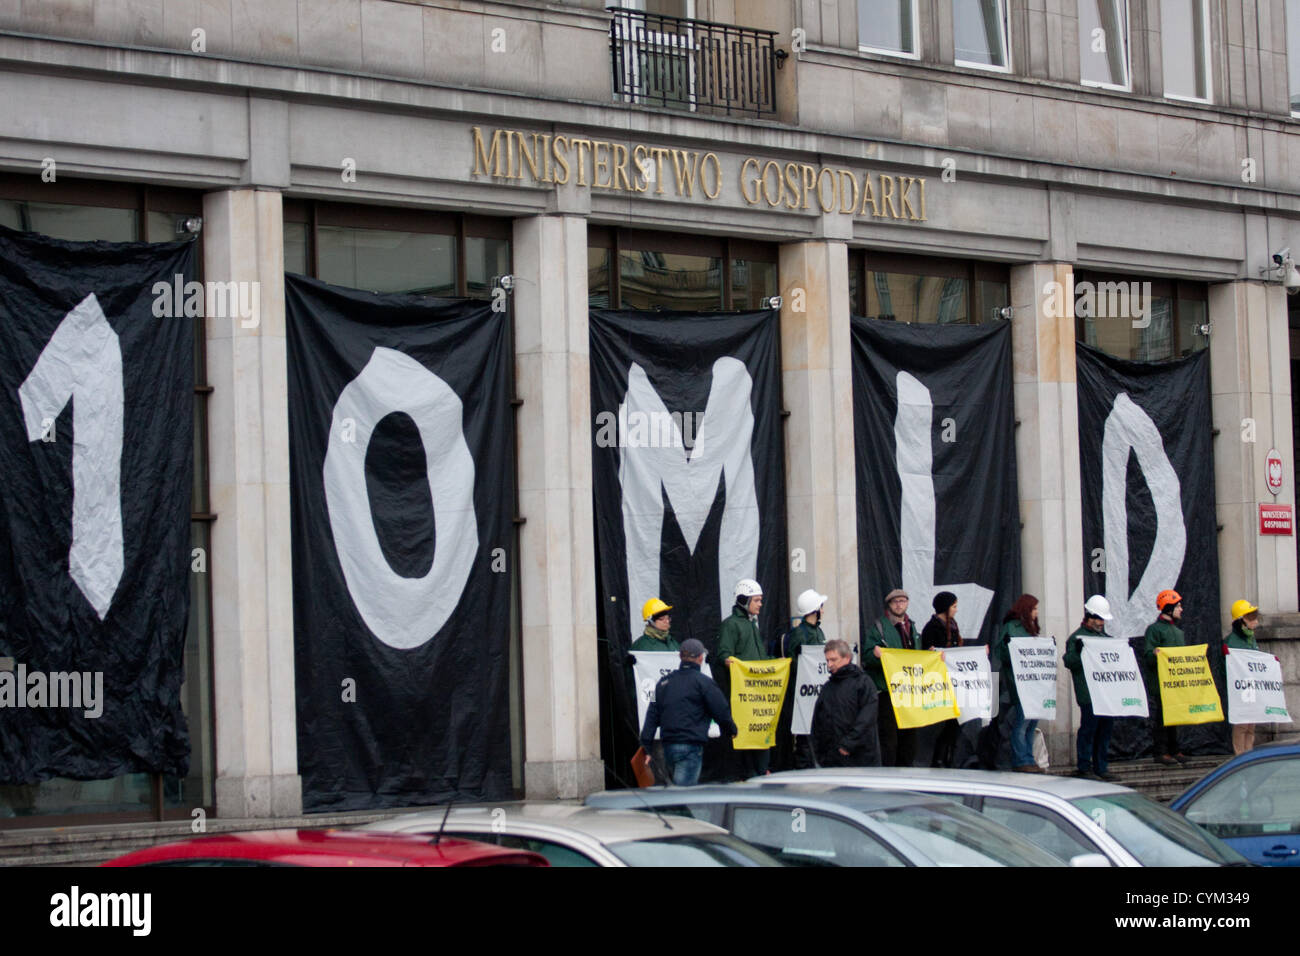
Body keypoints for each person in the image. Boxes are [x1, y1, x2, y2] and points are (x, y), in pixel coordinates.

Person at [639, 639, 738, 786]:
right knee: (683, 796)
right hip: (690, 746)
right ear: (700, 658)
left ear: (680, 657)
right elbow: (721, 710)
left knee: (676, 793)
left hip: (668, 747)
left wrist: (646, 746)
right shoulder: (704, 683)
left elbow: (651, 715)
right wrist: (731, 730)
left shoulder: (663, 682)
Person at [1063, 595, 1120, 781]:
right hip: (1088, 693)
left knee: (1104, 731)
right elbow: (1069, 662)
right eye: (1099, 619)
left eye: (1103, 619)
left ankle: (1101, 767)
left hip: (1105, 693)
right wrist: (1078, 652)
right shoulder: (1077, 638)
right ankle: (1084, 766)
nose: (1102, 623)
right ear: (1090, 617)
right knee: (1089, 729)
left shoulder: (1103, 638)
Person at [717, 578, 769, 777]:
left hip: (758, 695)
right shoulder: (731, 625)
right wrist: (727, 661)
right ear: (743, 600)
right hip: (743, 696)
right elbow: (723, 654)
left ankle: (760, 772)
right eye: (756, 600)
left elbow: (761, 658)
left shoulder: (752, 626)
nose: (760, 604)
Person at [863, 588, 919, 766]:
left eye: (902, 601)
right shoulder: (879, 628)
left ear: (907, 603)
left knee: (909, 739)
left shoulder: (913, 628)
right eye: (895, 602)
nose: (899, 604)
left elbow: (919, 657)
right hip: (888, 691)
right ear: (889, 605)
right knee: (889, 740)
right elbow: (867, 658)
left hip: (910, 692)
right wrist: (875, 655)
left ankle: (906, 776)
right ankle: (890, 777)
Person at [811, 639, 881, 767]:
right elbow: (817, 722)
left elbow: (866, 719)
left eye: (833, 660)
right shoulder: (828, 687)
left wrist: (848, 743)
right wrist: (819, 753)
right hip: (832, 759)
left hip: (861, 758)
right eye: (827, 660)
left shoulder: (863, 683)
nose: (829, 664)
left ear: (847, 658)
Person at [995, 594, 1042, 773]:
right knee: (1022, 723)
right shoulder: (1011, 627)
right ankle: (1021, 759)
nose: (1037, 612)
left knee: (1031, 724)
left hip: (1034, 684)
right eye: (1034, 608)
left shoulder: (1030, 628)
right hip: (1020, 684)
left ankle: (1028, 758)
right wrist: (1007, 647)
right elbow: (1002, 654)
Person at [1142, 589, 1188, 767]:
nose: (1181, 609)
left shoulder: (1178, 632)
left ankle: (1174, 749)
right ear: (1168, 608)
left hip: (1176, 683)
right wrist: (1155, 654)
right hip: (1161, 683)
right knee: (1162, 717)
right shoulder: (1154, 630)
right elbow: (1148, 655)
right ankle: (1161, 751)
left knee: (1175, 716)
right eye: (1178, 606)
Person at [786, 588, 828, 769]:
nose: (824, 611)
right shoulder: (799, 633)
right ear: (815, 610)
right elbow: (794, 662)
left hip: (816, 691)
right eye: (822, 607)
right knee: (804, 737)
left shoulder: (819, 632)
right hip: (804, 694)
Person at [919, 591, 962, 767]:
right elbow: (927, 653)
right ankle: (938, 759)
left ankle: (948, 757)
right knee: (943, 723)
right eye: (954, 606)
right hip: (938, 681)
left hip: (953, 680)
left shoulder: (952, 625)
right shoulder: (932, 628)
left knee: (955, 723)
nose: (956, 610)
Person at [1224, 599, 1261, 755]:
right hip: (1240, 689)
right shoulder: (1232, 641)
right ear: (1241, 621)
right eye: (1250, 617)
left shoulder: (1250, 639)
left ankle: (1249, 753)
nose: (1255, 621)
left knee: (1250, 725)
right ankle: (1240, 755)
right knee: (1242, 725)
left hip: (1251, 687)